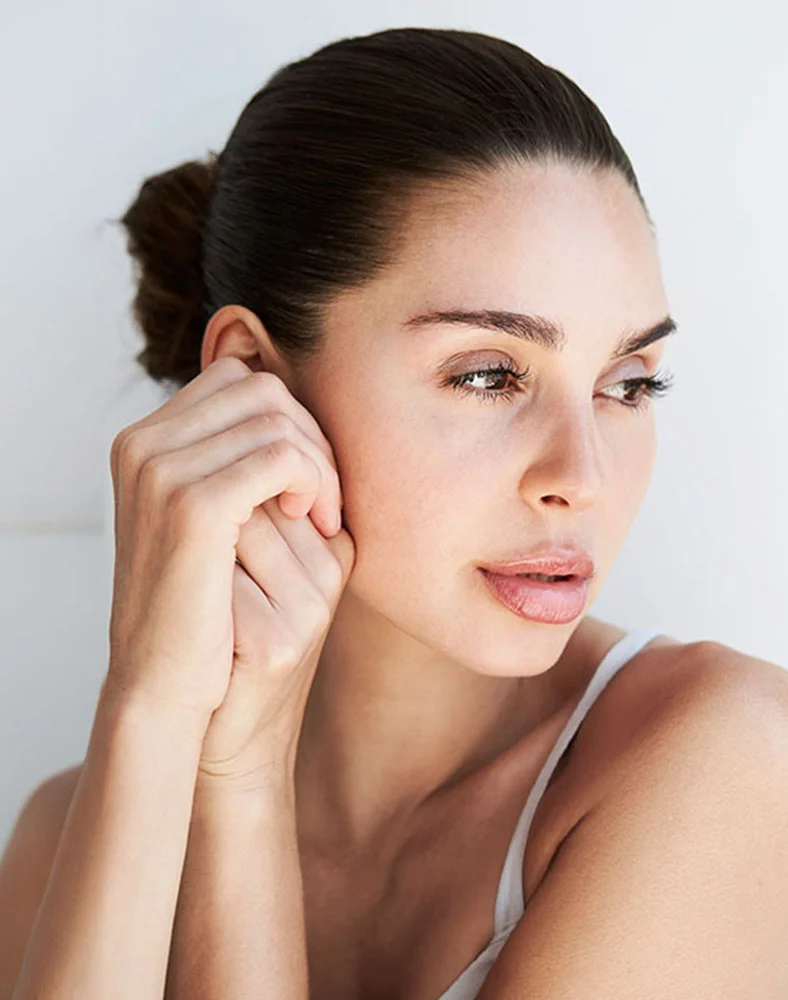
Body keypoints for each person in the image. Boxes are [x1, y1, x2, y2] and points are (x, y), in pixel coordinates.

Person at [3, 25, 788, 1000]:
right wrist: (154, 709)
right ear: (251, 377)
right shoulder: (69, 837)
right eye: (489, 374)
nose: (580, 476)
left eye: (627, 383)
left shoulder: (726, 755)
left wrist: (241, 783)